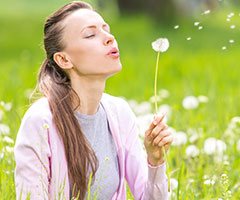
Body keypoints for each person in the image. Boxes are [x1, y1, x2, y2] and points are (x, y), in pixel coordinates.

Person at [14, 1, 173, 199]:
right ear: (64, 60)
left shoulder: (119, 113)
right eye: (91, 34)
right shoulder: (41, 122)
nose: (109, 38)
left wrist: (155, 160)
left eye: (107, 30)